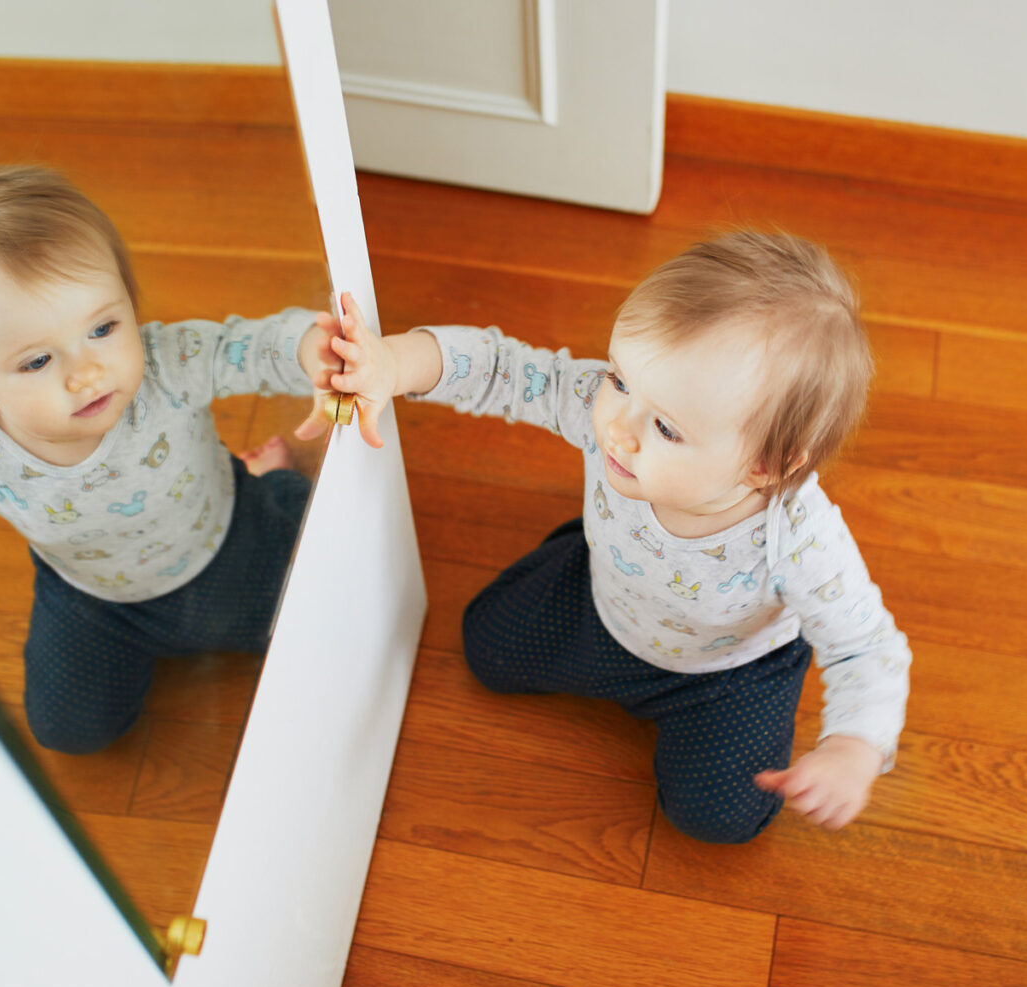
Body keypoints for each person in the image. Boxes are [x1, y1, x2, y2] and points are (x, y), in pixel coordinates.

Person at [309, 231, 911, 842]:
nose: (616, 428)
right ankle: (577, 548)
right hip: (608, 601)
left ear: (767, 466)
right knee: (485, 645)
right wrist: (392, 364)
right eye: (621, 380)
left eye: (667, 429)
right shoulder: (613, 418)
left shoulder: (802, 540)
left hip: (724, 668)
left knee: (720, 820)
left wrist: (853, 748)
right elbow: (502, 369)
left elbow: (866, 647)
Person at [0, 163, 330, 754]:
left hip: (228, 538)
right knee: (69, 732)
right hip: (95, 600)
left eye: (104, 327)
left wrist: (308, 347)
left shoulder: (168, 364)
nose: (86, 374)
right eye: (37, 362)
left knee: (335, 619)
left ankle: (271, 483)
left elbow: (254, 346)